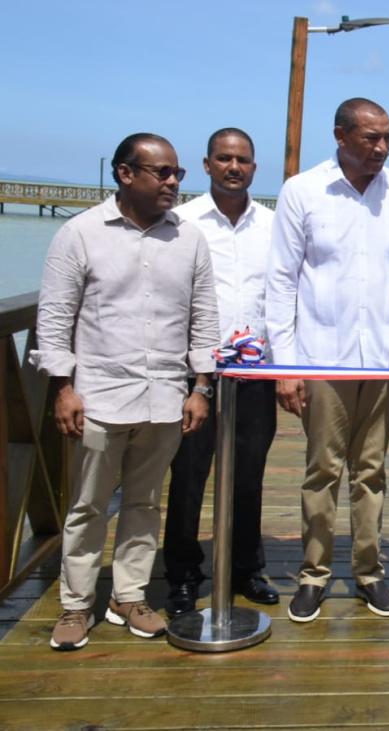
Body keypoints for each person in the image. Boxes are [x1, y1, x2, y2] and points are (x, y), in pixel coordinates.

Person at [33, 133, 220, 650]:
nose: (173, 182)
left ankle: (130, 596)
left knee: (143, 504)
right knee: (88, 506)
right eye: (161, 172)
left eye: (177, 173)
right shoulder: (80, 234)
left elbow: (204, 319)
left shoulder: (189, 238)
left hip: (165, 394)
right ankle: (76, 605)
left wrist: (201, 386)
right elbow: (54, 317)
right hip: (98, 395)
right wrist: (62, 387)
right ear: (125, 173)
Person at [266, 98, 389, 623]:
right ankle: (314, 575)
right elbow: (280, 282)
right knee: (322, 471)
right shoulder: (303, 191)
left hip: (382, 361)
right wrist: (286, 368)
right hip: (322, 359)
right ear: (340, 136)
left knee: (372, 472)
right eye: (369, 138)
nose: (381, 148)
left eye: (386, 138)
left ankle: (368, 572)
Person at [163, 128, 280, 617]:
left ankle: (244, 568)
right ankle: (184, 574)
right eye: (225, 158)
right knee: (188, 475)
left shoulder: (274, 225)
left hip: (256, 373)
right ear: (207, 165)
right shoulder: (180, 222)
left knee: (249, 475)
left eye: (244, 160)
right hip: (196, 374)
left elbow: (286, 295)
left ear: (255, 168)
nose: (235, 167)